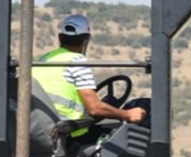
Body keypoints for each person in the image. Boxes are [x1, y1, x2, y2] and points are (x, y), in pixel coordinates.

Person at [33, 13, 146, 142]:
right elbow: (95, 109)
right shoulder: (77, 61)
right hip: (69, 135)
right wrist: (127, 114)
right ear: (86, 39)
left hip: (40, 131)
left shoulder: (42, 60)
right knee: (129, 140)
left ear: (60, 38)